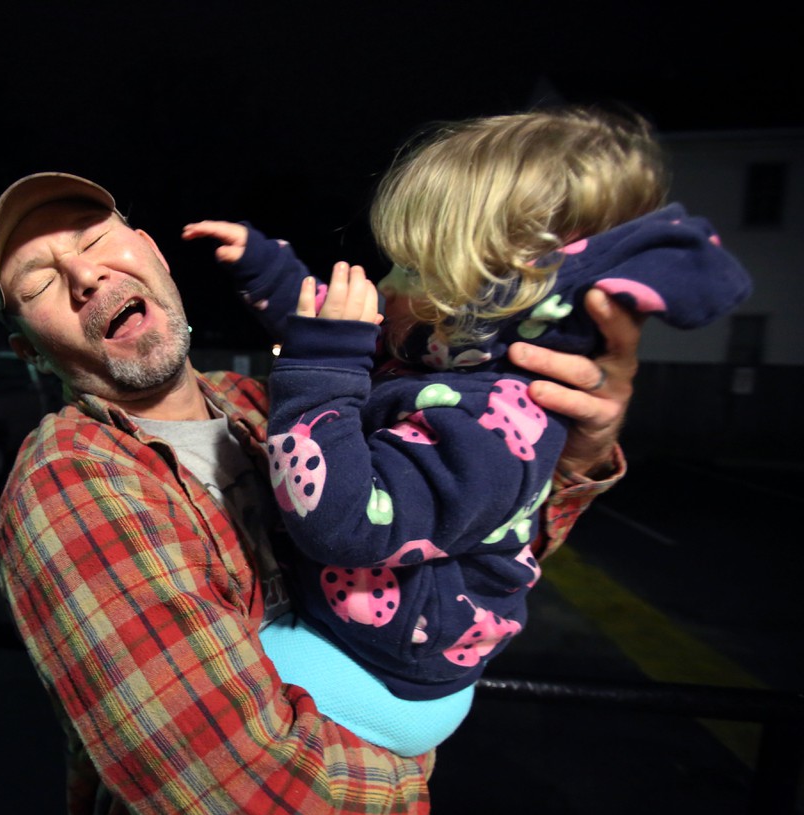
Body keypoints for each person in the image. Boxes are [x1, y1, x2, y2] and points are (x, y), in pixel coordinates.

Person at [0, 170, 638, 815]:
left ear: (153, 253)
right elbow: (244, 811)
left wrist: (572, 455)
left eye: (95, 240)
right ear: (28, 350)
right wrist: (414, 758)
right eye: (39, 284)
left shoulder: (269, 406)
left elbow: (456, 543)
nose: (85, 274)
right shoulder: (70, 479)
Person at [181, 107, 751, 759]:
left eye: (411, 269)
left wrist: (318, 368)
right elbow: (347, 328)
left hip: (376, 671)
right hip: (372, 639)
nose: (386, 282)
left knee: (192, 701)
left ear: (489, 296)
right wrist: (267, 268)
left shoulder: (494, 420)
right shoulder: (447, 361)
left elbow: (343, 524)